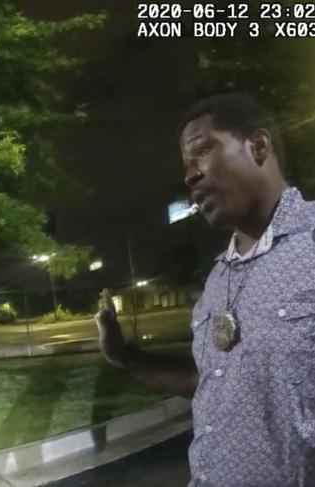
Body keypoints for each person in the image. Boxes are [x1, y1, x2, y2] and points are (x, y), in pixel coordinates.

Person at [96, 93, 315, 487]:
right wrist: (123, 355)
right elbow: (210, 382)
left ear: (258, 146)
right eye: (185, 165)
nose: (190, 175)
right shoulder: (217, 282)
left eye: (201, 151)